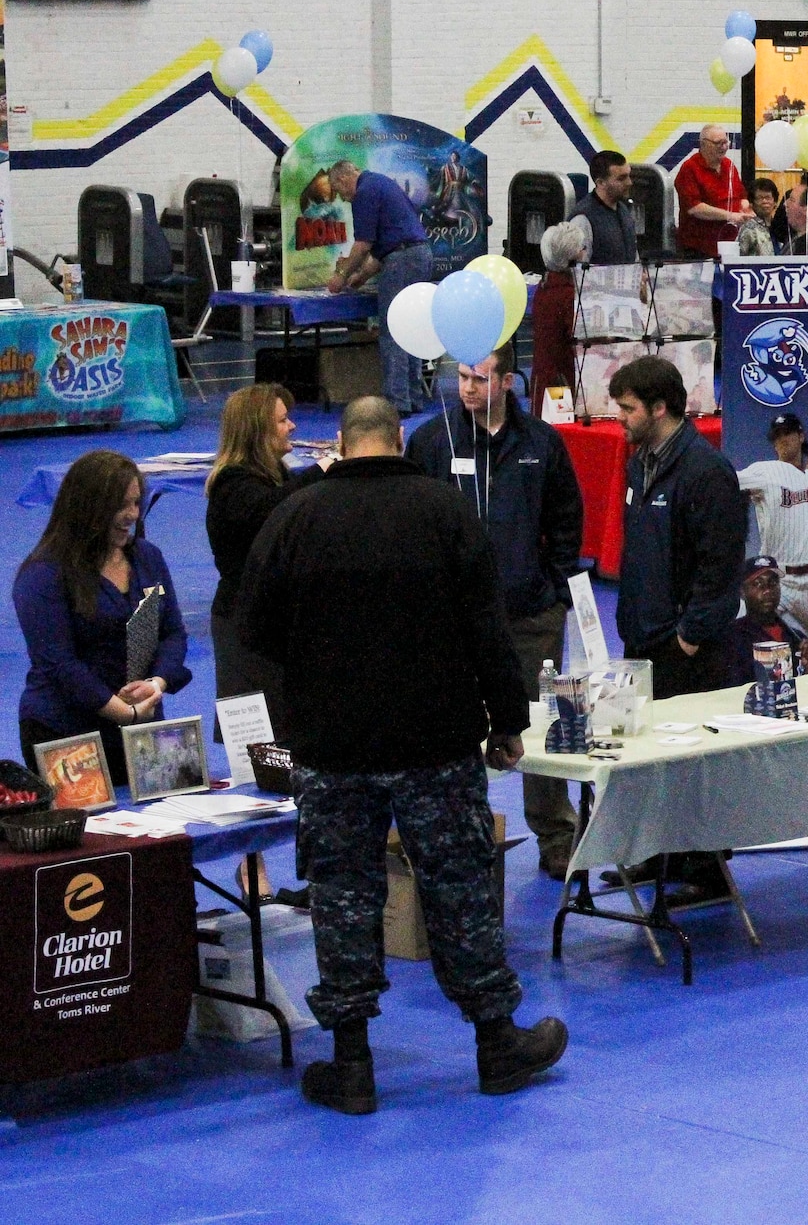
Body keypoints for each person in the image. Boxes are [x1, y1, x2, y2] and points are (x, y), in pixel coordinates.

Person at [239, 396, 564, 1114]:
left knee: (343, 895)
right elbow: (488, 626)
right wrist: (507, 721)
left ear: (343, 442)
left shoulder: (296, 516)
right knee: (459, 887)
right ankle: (496, 1043)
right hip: (435, 741)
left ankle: (351, 1062)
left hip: (332, 745)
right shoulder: (445, 510)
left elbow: (254, 627)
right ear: (396, 440)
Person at [407, 354, 586, 879]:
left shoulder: (542, 443)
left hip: (531, 615)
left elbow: (566, 517)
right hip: (454, 622)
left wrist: (555, 588)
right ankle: (460, 838)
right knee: (454, 730)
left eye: (479, 379)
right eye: (462, 377)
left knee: (543, 723)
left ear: (508, 382)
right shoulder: (432, 442)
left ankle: (557, 835)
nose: (467, 387)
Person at [606, 356, 745, 895]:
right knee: (650, 755)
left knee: (694, 759)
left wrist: (691, 636)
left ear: (659, 408)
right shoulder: (640, 464)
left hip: (686, 647)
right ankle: (660, 854)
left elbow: (720, 565)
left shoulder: (706, 473)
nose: (619, 418)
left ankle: (706, 868)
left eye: (627, 409)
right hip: (643, 637)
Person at [15, 450, 191, 789]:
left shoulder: (148, 557)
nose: (132, 514)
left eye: (136, 503)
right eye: (120, 505)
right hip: (67, 732)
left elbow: (173, 633)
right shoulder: (42, 575)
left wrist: (157, 684)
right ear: (87, 507)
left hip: (143, 724)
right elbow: (59, 664)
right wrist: (124, 713)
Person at [206, 384, 328, 743]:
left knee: (287, 732)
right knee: (256, 744)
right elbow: (274, 510)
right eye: (282, 420)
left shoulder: (278, 476)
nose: (292, 426)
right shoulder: (232, 485)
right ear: (258, 431)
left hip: (273, 625)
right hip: (243, 630)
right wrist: (321, 470)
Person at [324, 159, 434, 417]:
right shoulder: (381, 183)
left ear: (343, 179)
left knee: (393, 329)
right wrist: (362, 276)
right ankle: (413, 397)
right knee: (411, 329)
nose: (342, 198)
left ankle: (397, 402)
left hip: (402, 260)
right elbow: (387, 245)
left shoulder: (363, 192)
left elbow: (364, 245)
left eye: (339, 191)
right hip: (420, 255)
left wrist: (341, 275)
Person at [739, 408, 808, 660]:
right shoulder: (765, 472)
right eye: (777, 436)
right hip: (776, 581)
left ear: (801, 436)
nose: (783, 439)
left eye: (788, 433)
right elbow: (728, 480)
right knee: (737, 634)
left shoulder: (807, 478)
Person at [719, 556, 808, 686]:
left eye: (773, 582)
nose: (767, 590)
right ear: (742, 591)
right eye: (758, 584)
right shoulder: (732, 637)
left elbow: (805, 686)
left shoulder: (797, 638)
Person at [528, 218, 590, 412]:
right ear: (574, 255)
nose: (585, 252)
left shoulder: (545, 286)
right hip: (561, 382)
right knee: (560, 426)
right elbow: (581, 339)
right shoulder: (568, 295)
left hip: (544, 376)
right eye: (583, 248)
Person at [673, 124, 750, 260]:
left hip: (729, 245)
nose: (724, 147)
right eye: (718, 143)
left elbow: (741, 196)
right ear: (703, 144)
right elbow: (694, 208)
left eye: (725, 142)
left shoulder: (729, 166)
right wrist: (730, 215)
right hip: (699, 249)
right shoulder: (689, 168)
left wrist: (745, 209)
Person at [569, 149, 638, 267]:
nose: (629, 182)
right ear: (601, 183)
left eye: (628, 176)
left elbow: (633, 256)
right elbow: (579, 271)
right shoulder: (583, 219)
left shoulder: (624, 210)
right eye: (621, 178)